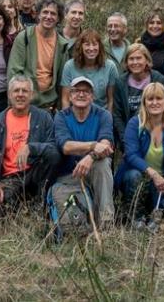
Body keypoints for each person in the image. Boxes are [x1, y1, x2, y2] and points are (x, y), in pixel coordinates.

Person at [0, 76, 60, 214]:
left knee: (52, 157)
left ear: (32, 95)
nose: (20, 94)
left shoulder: (43, 117)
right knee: (1, 204)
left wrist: (31, 147)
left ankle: (41, 203)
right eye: (16, 91)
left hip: (35, 172)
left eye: (24, 91)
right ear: (9, 95)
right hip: (10, 178)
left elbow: (54, 150)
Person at [53, 76, 116, 228]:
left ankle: (106, 222)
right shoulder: (61, 116)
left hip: (94, 170)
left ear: (92, 96)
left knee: (103, 164)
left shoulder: (103, 115)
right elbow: (66, 146)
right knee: (73, 222)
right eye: (76, 91)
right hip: (69, 175)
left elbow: (106, 145)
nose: (81, 94)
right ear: (70, 95)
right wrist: (93, 146)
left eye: (86, 91)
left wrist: (90, 157)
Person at [116, 82, 164, 228]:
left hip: (162, 178)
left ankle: (155, 216)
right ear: (144, 102)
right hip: (139, 175)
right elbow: (131, 155)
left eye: (159, 99)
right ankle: (136, 217)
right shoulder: (135, 123)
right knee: (134, 176)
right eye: (150, 99)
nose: (154, 103)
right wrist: (153, 174)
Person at [7, 0, 66, 112]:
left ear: (58, 18)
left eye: (53, 14)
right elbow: (13, 73)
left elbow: (61, 80)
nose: (48, 17)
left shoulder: (62, 44)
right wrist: (13, 106)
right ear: (38, 15)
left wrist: (59, 107)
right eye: (45, 12)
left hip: (49, 106)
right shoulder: (24, 38)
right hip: (26, 104)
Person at [111, 43, 164, 143]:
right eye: (131, 59)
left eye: (139, 58)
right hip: (128, 135)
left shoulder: (158, 79)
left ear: (147, 60)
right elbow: (117, 115)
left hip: (155, 134)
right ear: (126, 62)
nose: (135, 62)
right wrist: (125, 139)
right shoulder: (120, 82)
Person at [60, 29, 119, 110]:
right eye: (87, 44)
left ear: (100, 46)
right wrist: (66, 120)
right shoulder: (69, 66)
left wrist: (108, 120)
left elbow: (111, 100)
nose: (91, 48)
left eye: (95, 44)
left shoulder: (110, 66)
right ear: (81, 47)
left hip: (101, 114)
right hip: (76, 113)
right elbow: (65, 99)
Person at [139, 9, 164, 74]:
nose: (155, 26)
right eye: (151, 22)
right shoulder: (139, 44)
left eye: (159, 23)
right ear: (146, 25)